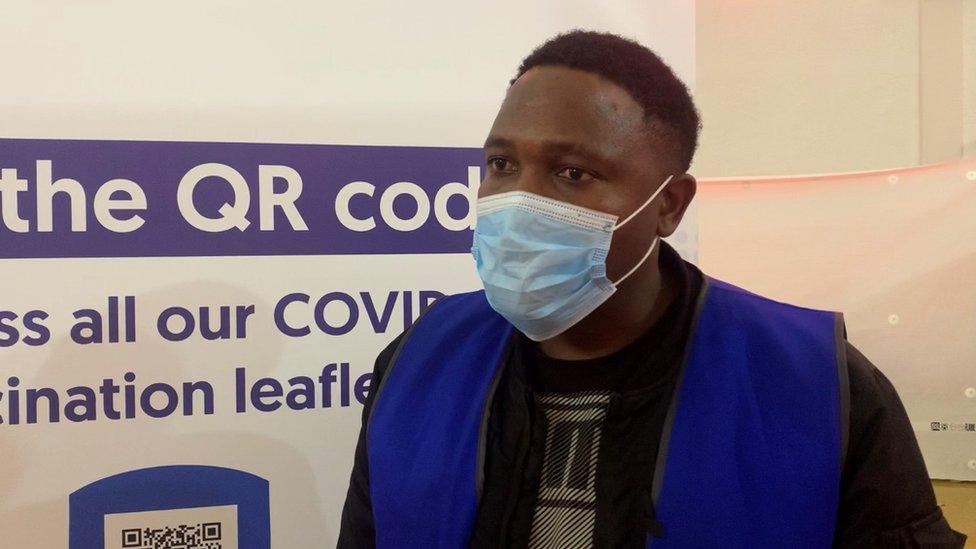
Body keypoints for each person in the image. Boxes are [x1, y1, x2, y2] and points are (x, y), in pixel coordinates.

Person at [338, 30, 967, 548]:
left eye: (572, 172)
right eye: (502, 165)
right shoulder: (418, 363)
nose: (517, 201)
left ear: (668, 204)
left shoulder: (817, 385)